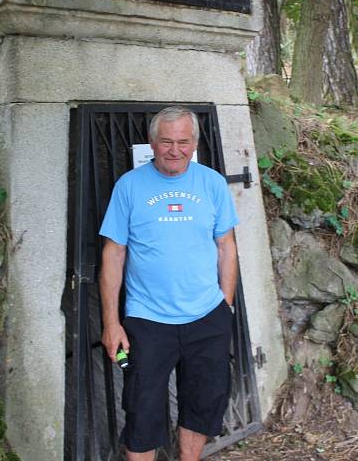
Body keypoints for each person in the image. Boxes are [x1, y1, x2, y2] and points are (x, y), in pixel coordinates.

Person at [99, 106, 239, 461]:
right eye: (166, 142)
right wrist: (112, 323)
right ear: (151, 142)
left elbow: (227, 246)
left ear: (194, 142)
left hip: (207, 316)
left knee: (203, 403)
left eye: (183, 142)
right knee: (141, 410)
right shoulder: (129, 187)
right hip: (147, 320)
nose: (175, 150)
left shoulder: (212, 183)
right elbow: (113, 255)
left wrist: (226, 306)